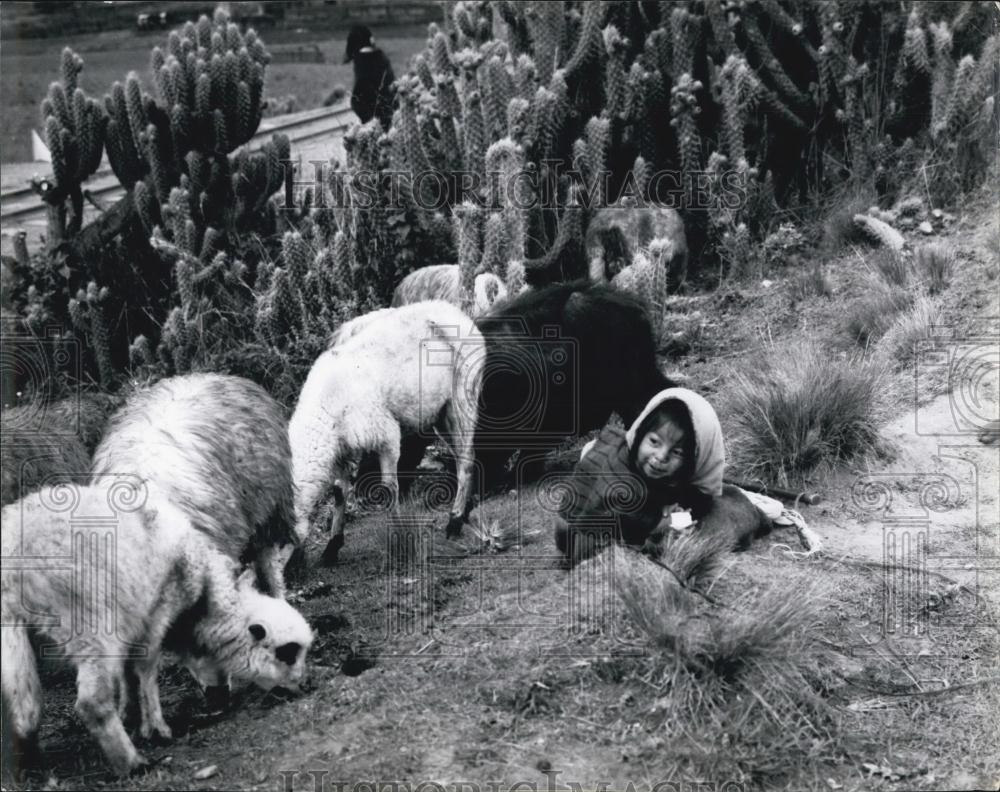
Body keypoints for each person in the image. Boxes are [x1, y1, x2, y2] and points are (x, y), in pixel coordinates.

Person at [554, 387, 727, 565]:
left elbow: (698, 498)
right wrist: (667, 521)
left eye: (676, 452)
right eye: (654, 442)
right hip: (582, 531)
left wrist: (677, 510)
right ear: (640, 433)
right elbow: (632, 518)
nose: (661, 457)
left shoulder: (664, 469)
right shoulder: (620, 474)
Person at [340, 24, 396, 130]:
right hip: (391, 112)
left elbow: (359, 97)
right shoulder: (381, 57)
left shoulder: (361, 60)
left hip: (374, 121)